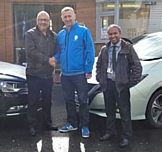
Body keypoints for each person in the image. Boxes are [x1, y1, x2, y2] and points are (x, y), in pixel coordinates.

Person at [50, 7, 95, 138]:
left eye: (70, 16)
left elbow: (90, 51)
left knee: (82, 101)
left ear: (74, 16)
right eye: (65, 17)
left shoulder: (83, 31)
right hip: (66, 74)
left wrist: (88, 69)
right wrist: (54, 59)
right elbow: (60, 52)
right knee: (68, 100)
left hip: (80, 73)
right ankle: (72, 123)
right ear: (62, 18)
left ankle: (85, 126)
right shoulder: (60, 35)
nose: (68, 19)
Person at [96, 24, 142, 148]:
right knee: (109, 111)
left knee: (124, 112)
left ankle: (126, 136)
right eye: (110, 34)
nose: (113, 36)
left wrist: (130, 82)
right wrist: (100, 79)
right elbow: (99, 65)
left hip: (121, 86)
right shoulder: (105, 49)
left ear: (120, 34)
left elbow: (137, 66)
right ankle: (110, 132)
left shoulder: (128, 48)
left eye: (115, 33)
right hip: (108, 84)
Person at [25, 11, 58, 136]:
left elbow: (57, 51)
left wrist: (55, 58)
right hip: (34, 74)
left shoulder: (53, 35)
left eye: (46, 20)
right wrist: (48, 60)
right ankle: (32, 125)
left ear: (49, 21)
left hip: (48, 75)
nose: (43, 22)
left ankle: (47, 123)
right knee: (33, 101)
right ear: (37, 21)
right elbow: (30, 52)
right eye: (41, 19)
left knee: (47, 100)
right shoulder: (30, 34)